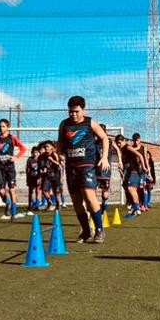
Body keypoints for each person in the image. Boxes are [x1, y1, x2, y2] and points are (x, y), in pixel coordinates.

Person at [57, 96, 111, 242]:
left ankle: (99, 230)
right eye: (71, 112)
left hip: (87, 165)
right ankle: (86, 231)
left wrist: (104, 157)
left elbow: (104, 138)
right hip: (71, 167)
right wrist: (60, 154)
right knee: (76, 200)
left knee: (89, 195)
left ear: (83, 110)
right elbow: (60, 142)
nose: (73, 114)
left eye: (76, 111)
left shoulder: (90, 122)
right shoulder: (64, 124)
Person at [0, 119, 26, 220]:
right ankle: (7, 203)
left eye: (3, 126)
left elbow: (23, 149)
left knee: (12, 189)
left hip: (10, 167)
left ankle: (14, 212)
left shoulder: (12, 138)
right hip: (0, 168)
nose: (1, 128)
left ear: (8, 127)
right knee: (1, 191)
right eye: (0, 126)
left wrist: (16, 157)